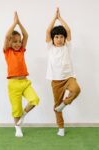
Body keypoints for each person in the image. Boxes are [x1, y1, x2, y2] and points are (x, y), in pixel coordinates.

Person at [3, 11, 39, 137]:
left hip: (25, 82)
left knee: (35, 100)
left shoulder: (22, 51)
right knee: (16, 109)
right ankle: (17, 127)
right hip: (13, 84)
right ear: (9, 43)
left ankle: (23, 116)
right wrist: (14, 23)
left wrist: (19, 23)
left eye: (19, 41)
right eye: (15, 42)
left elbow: (26, 35)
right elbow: (7, 36)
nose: (18, 43)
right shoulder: (7, 51)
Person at [46, 8, 81, 136]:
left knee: (76, 89)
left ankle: (65, 103)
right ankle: (61, 128)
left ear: (64, 38)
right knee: (56, 105)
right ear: (53, 38)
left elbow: (69, 30)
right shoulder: (50, 48)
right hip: (56, 80)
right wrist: (54, 19)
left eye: (61, 37)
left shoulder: (67, 46)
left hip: (69, 77)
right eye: (56, 37)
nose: (59, 39)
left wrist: (60, 19)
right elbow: (48, 31)